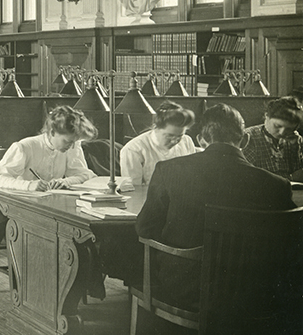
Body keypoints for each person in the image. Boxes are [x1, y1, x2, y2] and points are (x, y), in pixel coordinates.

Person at [136, 104, 293, 309]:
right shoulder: (277, 185)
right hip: (258, 290)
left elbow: (145, 228)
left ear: (201, 140)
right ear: (244, 140)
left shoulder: (169, 170)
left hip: (187, 288)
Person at [0, 106, 97, 190]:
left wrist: (65, 182)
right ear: (52, 132)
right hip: (21, 203)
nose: (71, 146)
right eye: (67, 141)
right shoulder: (25, 147)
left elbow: (85, 175)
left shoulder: (72, 146)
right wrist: (29, 185)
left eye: (74, 142)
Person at [120, 101, 198, 186]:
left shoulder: (186, 141)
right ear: (156, 128)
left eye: (179, 136)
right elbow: (133, 189)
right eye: (169, 136)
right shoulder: (133, 150)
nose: (175, 141)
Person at [239, 96, 303, 180]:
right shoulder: (249, 137)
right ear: (266, 116)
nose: (282, 133)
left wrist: (295, 147)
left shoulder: (295, 138)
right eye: (277, 126)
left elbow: (298, 174)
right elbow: (245, 173)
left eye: (289, 129)